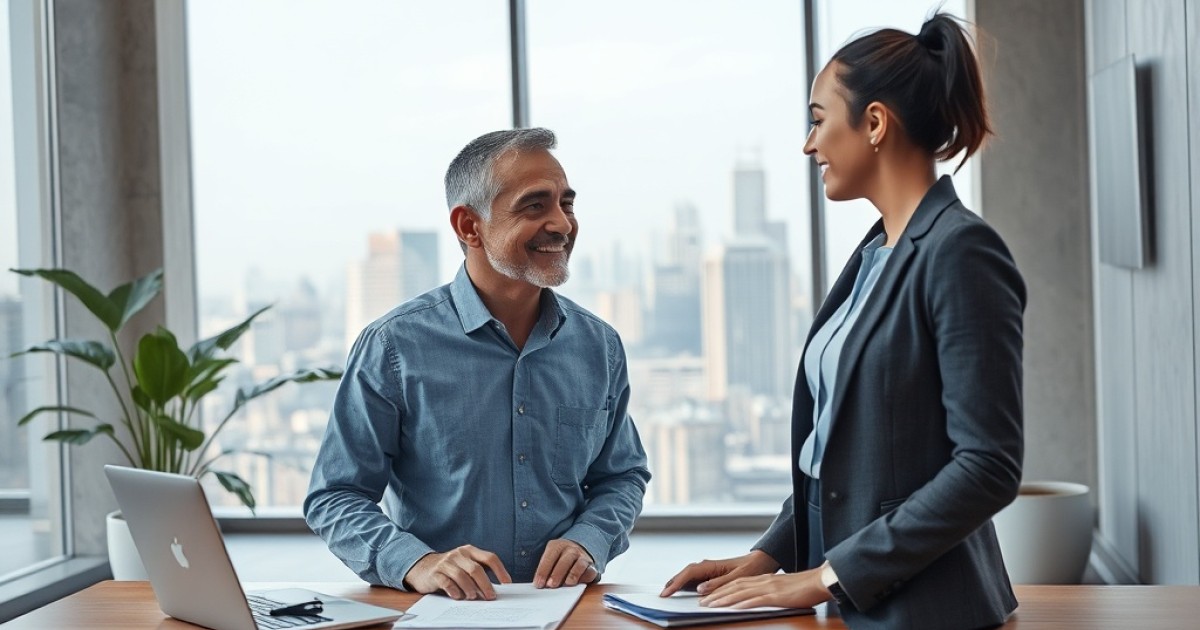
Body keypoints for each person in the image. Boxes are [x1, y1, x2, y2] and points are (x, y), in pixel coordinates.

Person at [661, 13, 1025, 630]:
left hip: (925, 613)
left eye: (818, 119)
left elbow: (988, 466)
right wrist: (770, 556)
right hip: (848, 604)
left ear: (875, 123)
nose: (809, 145)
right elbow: (843, 451)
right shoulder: (875, 253)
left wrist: (824, 577)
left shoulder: (960, 252)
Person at [305, 128, 650, 601]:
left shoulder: (599, 346)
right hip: (439, 614)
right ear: (470, 226)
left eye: (566, 204)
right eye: (535, 206)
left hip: (568, 610)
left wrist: (589, 539)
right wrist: (416, 563)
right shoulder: (393, 346)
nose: (562, 224)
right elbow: (335, 496)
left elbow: (622, 475)